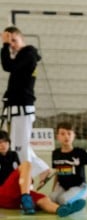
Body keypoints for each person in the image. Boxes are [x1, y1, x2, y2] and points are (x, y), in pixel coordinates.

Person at [1, 26, 50, 178]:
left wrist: (4, 45)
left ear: (23, 39)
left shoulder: (29, 54)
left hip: (22, 108)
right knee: (22, 146)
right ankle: (43, 171)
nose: (12, 45)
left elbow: (7, 66)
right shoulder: (23, 57)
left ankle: (25, 183)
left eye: (14, 41)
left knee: (18, 147)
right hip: (16, 107)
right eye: (10, 42)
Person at [0, 129, 85, 216]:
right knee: (26, 164)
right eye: (0, 142)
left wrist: (28, 181)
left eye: (5, 142)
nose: (3, 145)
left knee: (43, 199)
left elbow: (19, 176)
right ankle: (26, 198)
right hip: (2, 194)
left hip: (15, 198)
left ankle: (61, 210)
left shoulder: (13, 155)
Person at [49, 122, 87, 205]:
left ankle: (79, 200)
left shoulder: (79, 152)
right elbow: (57, 172)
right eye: (62, 134)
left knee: (63, 200)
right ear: (58, 137)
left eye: (69, 133)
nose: (66, 136)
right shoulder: (55, 153)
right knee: (51, 199)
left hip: (79, 187)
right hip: (63, 187)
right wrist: (53, 191)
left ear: (74, 136)